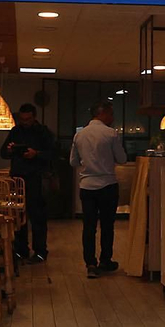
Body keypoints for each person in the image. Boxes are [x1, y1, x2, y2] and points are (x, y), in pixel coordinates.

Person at [69, 101, 126, 280]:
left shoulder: (79, 135)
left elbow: (73, 162)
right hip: (108, 184)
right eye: (111, 114)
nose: (112, 118)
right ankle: (105, 260)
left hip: (87, 186)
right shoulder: (111, 134)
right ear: (103, 113)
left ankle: (90, 264)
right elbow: (122, 159)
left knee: (89, 227)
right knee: (107, 226)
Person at [1, 103, 55, 262]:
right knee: (19, 216)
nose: (25, 122)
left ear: (34, 117)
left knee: (37, 216)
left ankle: (40, 251)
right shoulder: (15, 131)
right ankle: (20, 249)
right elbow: (3, 152)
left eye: (28, 119)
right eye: (23, 119)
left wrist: (36, 153)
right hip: (17, 179)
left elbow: (52, 154)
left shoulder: (43, 132)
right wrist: (11, 150)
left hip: (36, 178)